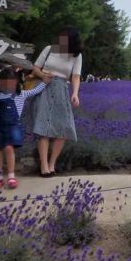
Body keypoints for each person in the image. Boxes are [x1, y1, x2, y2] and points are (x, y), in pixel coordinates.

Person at [29, 27, 83, 177]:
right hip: (44, 88)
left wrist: (75, 94)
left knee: (63, 130)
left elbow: (76, 76)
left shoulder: (76, 56)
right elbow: (35, 68)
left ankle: (52, 163)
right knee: (43, 129)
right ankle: (44, 166)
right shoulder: (49, 49)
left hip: (61, 90)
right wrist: (42, 75)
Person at [0, 67, 47, 190]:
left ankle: (11, 176)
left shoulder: (20, 95)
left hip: (12, 128)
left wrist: (44, 82)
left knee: (9, 149)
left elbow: (35, 91)